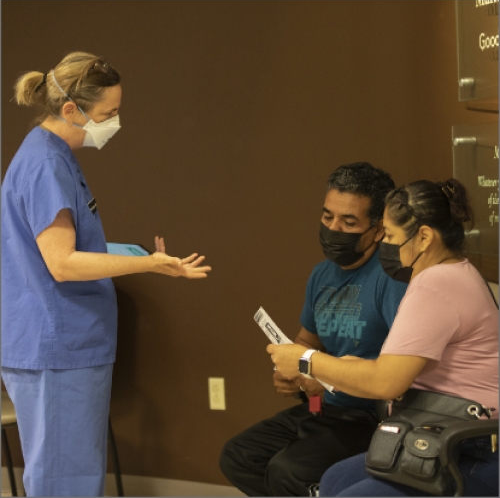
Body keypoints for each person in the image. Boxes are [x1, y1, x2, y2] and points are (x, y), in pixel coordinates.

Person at [1, 52, 211, 497]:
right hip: (56, 348)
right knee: (65, 482)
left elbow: (57, 248)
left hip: (64, 344)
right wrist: (148, 264)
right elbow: (62, 263)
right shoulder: (44, 165)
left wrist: (126, 252)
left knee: (72, 473)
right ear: (72, 110)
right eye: (108, 114)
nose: (115, 122)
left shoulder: (53, 155)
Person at [267, 178, 499, 497]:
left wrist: (305, 361)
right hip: (444, 433)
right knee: (335, 479)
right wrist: (337, 365)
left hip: (468, 448)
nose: (384, 244)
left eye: (390, 235)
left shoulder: (436, 286)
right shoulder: (453, 273)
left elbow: (385, 383)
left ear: (425, 237)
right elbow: (394, 367)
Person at [219, 162, 408, 496]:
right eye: (327, 217)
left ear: (378, 230)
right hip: (324, 407)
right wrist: (290, 372)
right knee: (239, 456)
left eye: (348, 222)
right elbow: (306, 341)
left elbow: (400, 371)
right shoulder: (322, 274)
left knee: (287, 472)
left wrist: (320, 370)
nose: (333, 228)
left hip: (369, 416)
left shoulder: (391, 279)